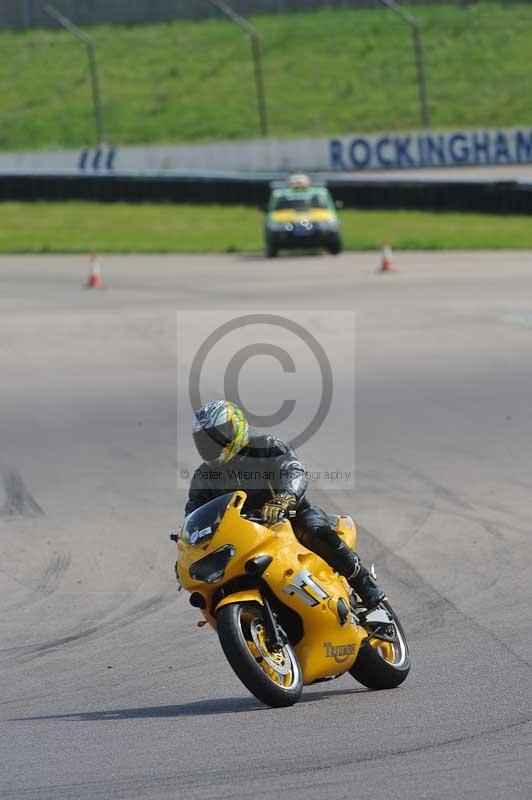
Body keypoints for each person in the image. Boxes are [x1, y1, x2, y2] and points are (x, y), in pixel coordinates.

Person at [185, 400, 385, 610]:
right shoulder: (203, 477)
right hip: (245, 535)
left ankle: (362, 582)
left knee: (314, 530)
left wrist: (285, 498)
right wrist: (188, 542)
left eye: (219, 435)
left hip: (289, 515)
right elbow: (194, 514)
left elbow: (293, 470)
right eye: (205, 441)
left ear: (237, 428)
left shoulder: (266, 446)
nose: (213, 444)